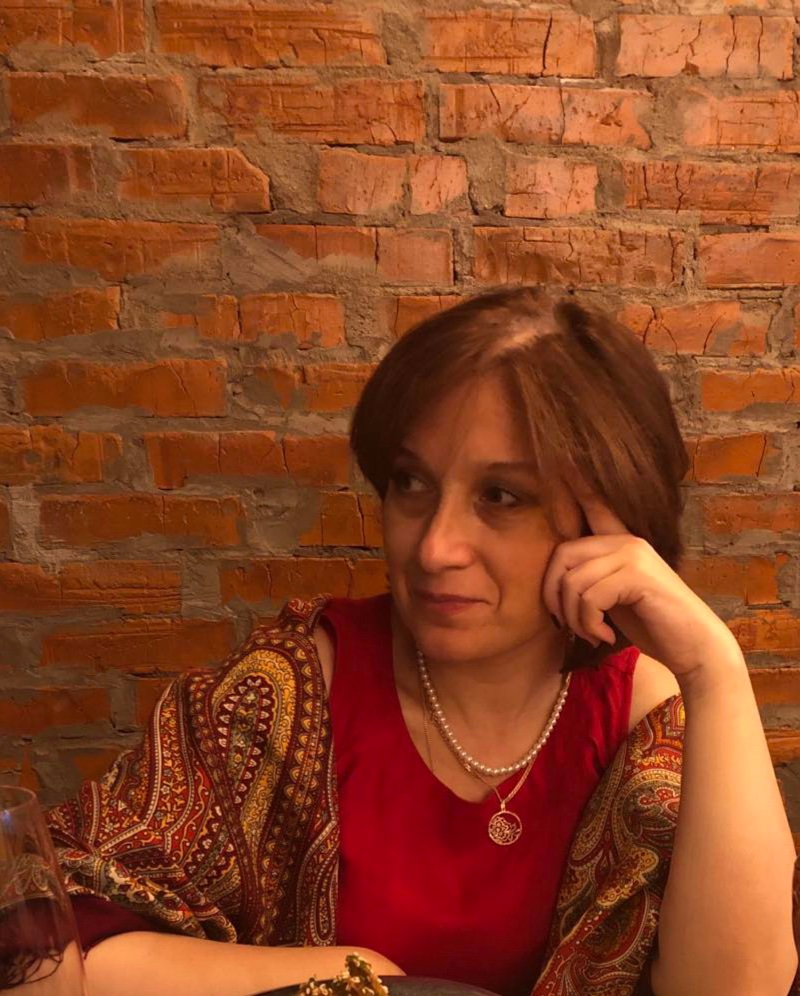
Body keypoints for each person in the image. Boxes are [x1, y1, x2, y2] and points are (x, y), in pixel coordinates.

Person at [43, 287, 798, 996]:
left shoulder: (647, 722)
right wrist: (353, 975)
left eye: (501, 496)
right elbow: (46, 946)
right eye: (411, 483)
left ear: (608, 521)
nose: (435, 547)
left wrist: (714, 669)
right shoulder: (288, 691)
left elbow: (738, 988)